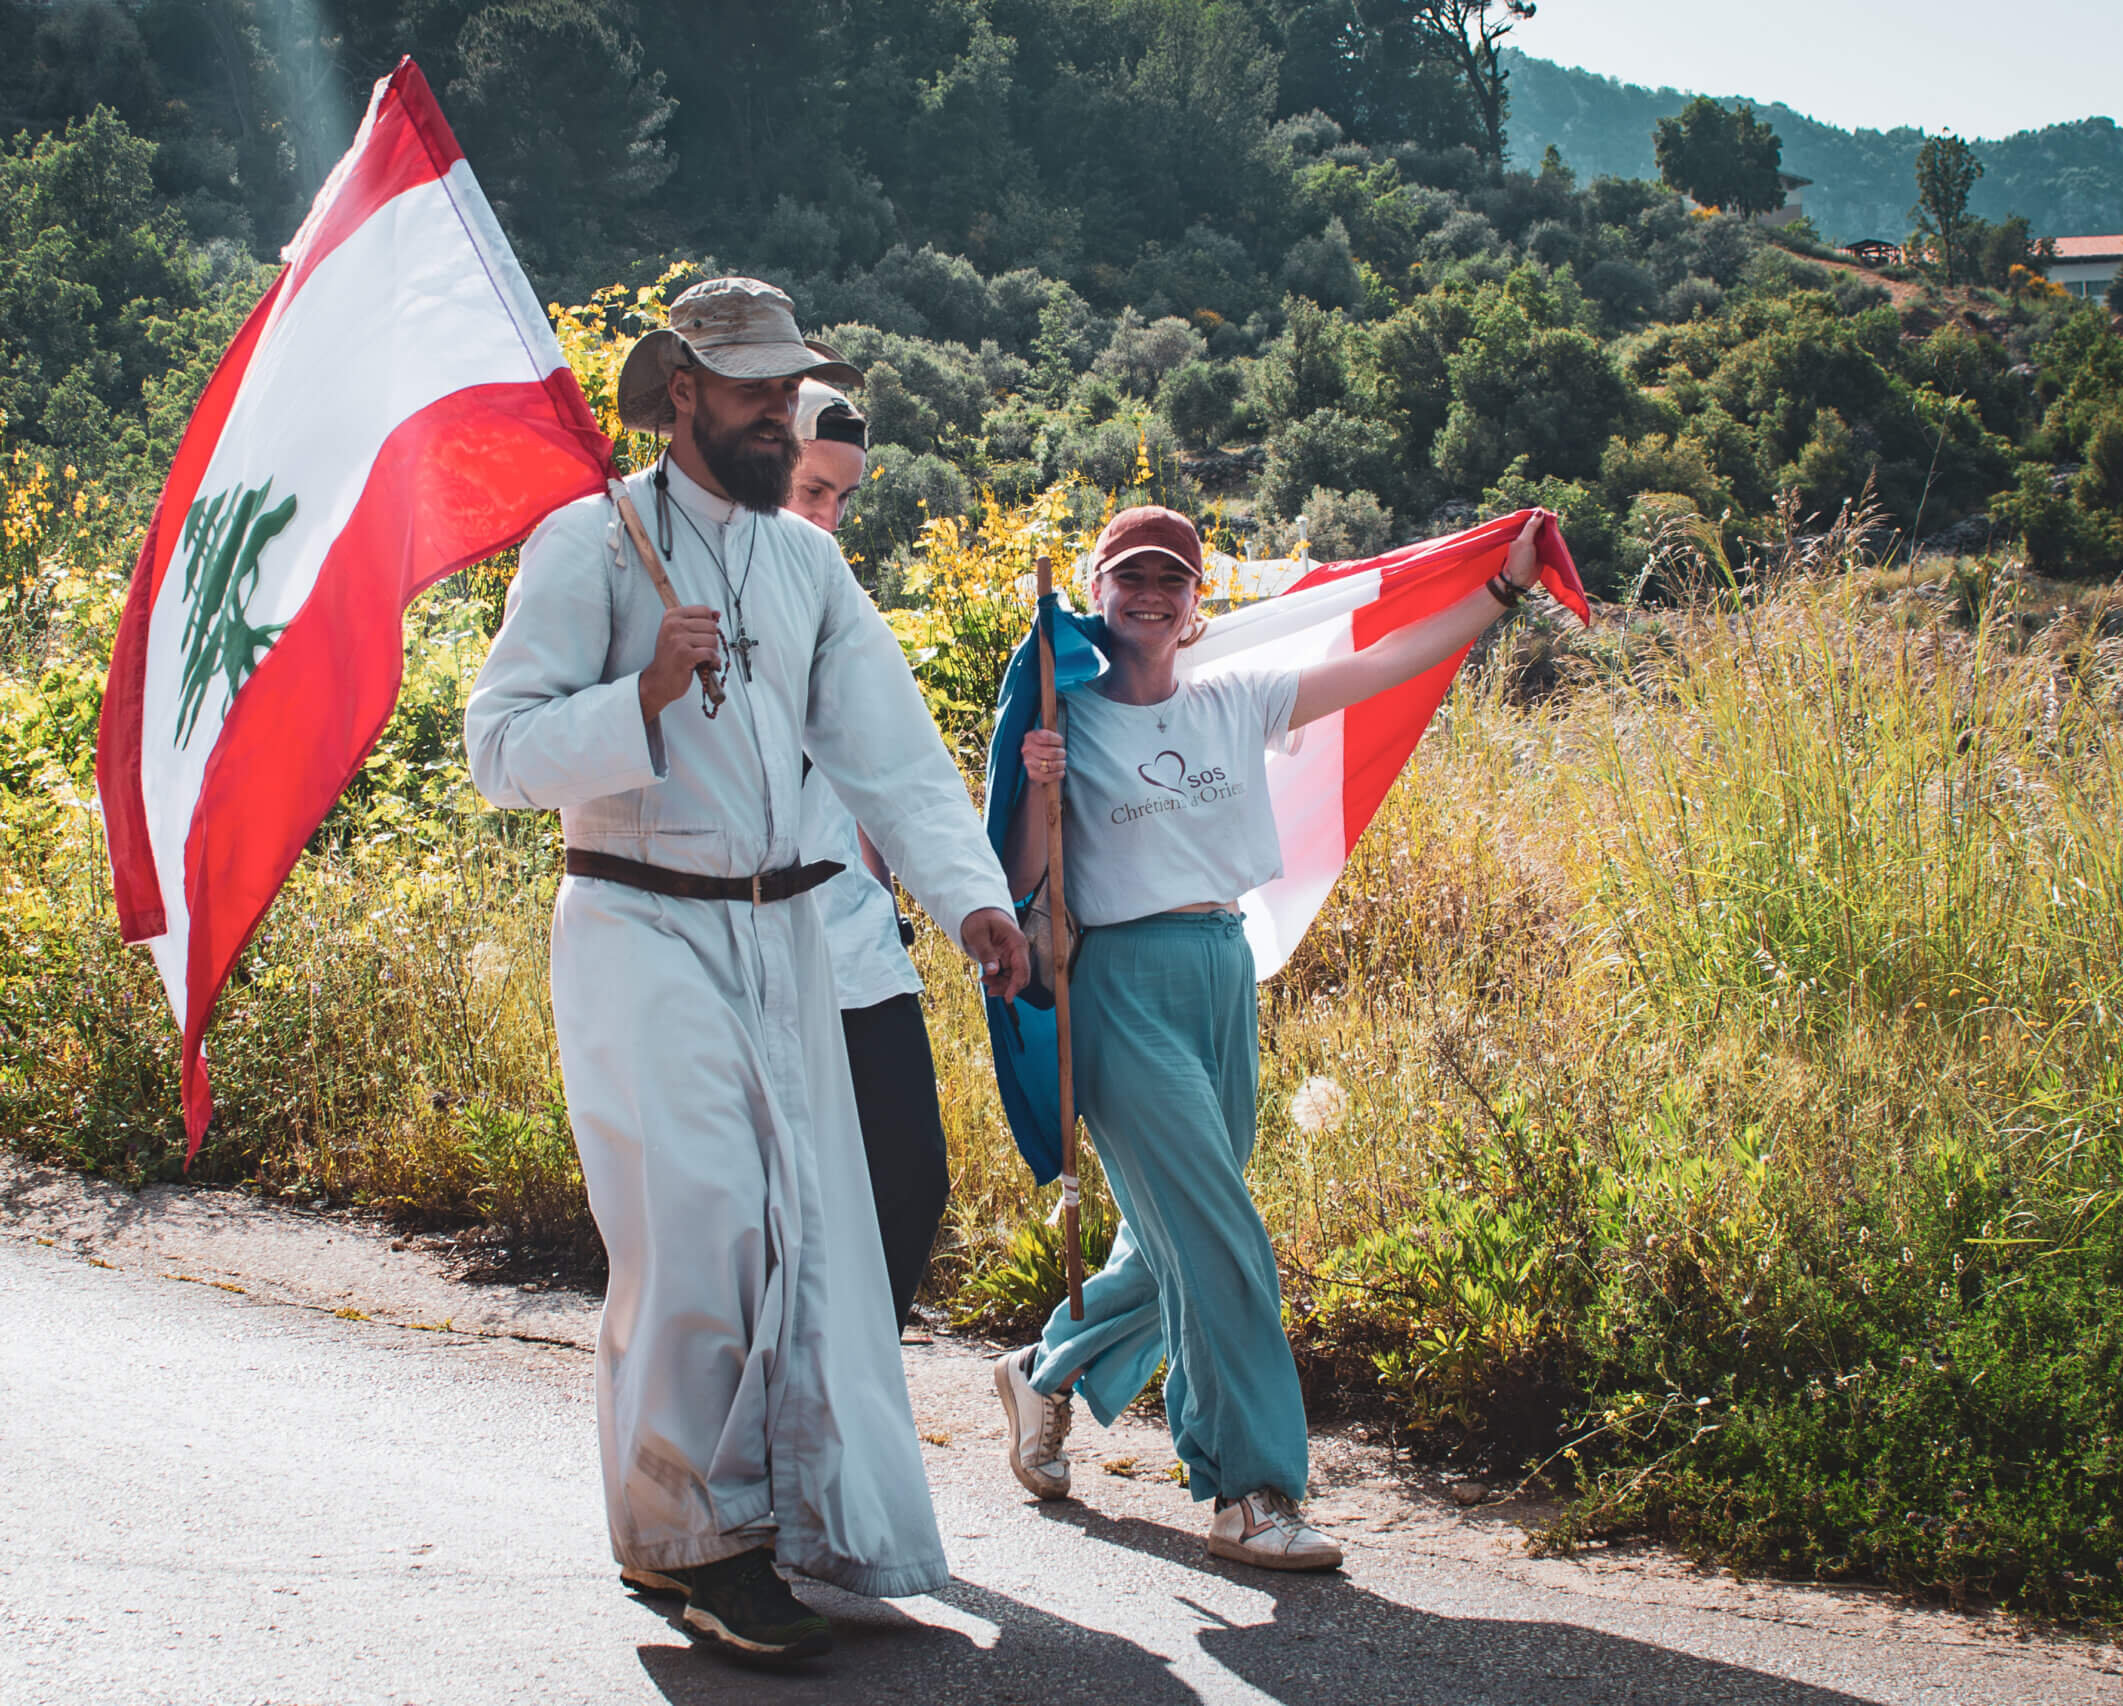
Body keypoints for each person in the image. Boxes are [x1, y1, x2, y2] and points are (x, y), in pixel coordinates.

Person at [464, 277, 1029, 1662]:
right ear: (682, 399)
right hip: (639, 921)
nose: (782, 414)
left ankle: (760, 1524)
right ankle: (698, 1538)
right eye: (755, 392)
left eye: (791, 391)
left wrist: (976, 906)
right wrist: (637, 697)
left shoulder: (810, 566)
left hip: (786, 934)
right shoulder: (591, 546)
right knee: (703, 1217)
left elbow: (889, 754)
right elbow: (498, 749)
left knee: (805, 1230)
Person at [990, 503, 1549, 1571]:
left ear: (1198, 605)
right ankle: (1248, 1488)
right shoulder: (1065, 710)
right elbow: (1020, 877)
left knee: (1180, 1237)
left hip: (1221, 968)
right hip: (1117, 981)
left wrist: (1500, 591)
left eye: (1171, 580)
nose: (1149, 595)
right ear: (1100, 591)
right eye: (1129, 577)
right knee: (1221, 1237)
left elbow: (1388, 660)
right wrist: (1037, 780)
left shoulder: (1237, 697)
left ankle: (1045, 1370)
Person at [785, 381, 953, 1334]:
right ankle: (792, 1412)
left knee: (909, 1178)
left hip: (862, 950)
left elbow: (892, 778)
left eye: (842, 499)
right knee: (779, 1204)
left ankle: (851, 1392)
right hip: (754, 952)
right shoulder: (689, 596)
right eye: (814, 491)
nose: (830, 518)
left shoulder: (838, 603)